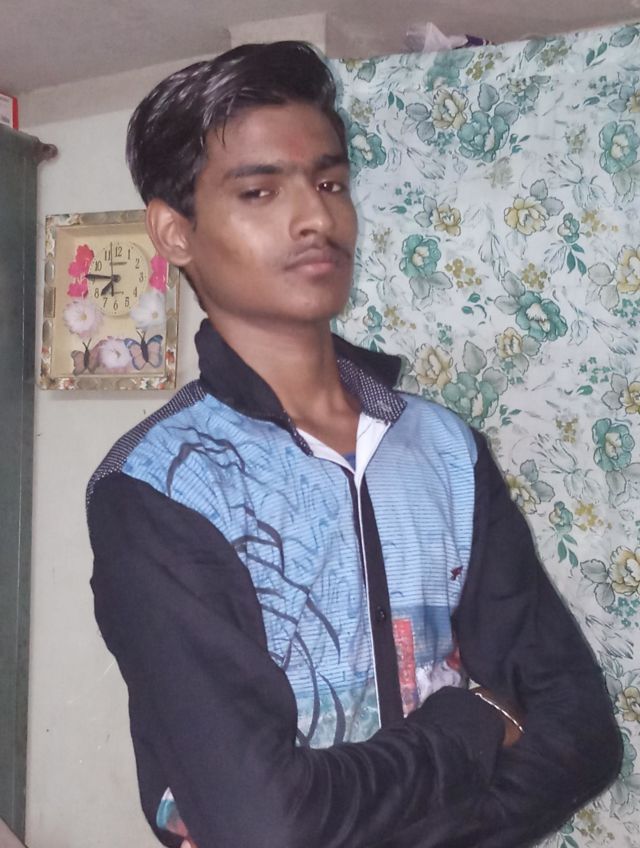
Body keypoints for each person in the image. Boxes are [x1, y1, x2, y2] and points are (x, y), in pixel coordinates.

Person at [87, 41, 621, 848]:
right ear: (175, 232)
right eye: (261, 191)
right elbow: (266, 822)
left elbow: (581, 733)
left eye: (331, 183)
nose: (318, 218)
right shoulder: (160, 486)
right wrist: (471, 722)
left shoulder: (443, 448)